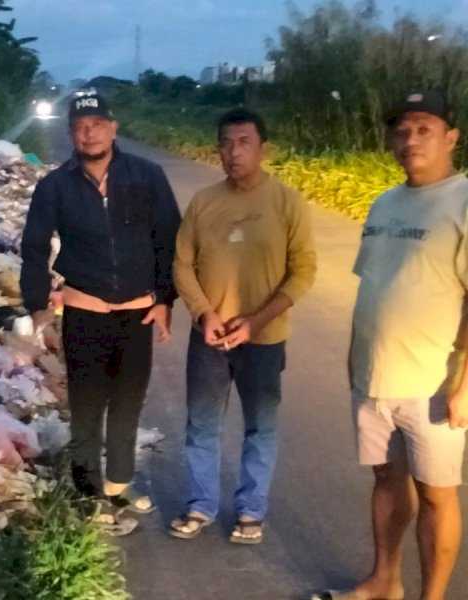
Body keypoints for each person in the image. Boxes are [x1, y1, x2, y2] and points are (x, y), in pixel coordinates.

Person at [319, 91, 468, 600]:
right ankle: (385, 580)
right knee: (385, 479)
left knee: (436, 494)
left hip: (434, 383)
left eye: (425, 129)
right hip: (374, 374)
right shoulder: (384, 202)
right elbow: (373, 287)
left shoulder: (462, 201)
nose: (411, 139)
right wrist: (353, 360)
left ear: (451, 137)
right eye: (402, 130)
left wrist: (465, 386)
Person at [20, 92, 181, 531]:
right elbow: (33, 248)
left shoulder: (146, 176)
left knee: (127, 405)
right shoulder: (55, 186)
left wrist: (165, 299)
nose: (88, 132)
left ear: (113, 127)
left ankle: (119, 485)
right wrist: (38, 308)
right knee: (87, 408)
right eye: (79, 126)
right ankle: (87, 493)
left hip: (137, 312)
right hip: (84, 311)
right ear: (71, 133)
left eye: (96, 124)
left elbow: (169, 239)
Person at [170, 108, 316, 543]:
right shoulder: (204, 202)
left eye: (244, 142)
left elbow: (303, 271)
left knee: (260, 427)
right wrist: (204, 313)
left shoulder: (287, 202)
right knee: (202, 424)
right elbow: (182, 264)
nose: (234, 152)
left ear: (263, 148)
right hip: (209, 338)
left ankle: (251, 511)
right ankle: (201, 505)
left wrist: (256, 321)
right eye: (226, 143)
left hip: (264, 339)